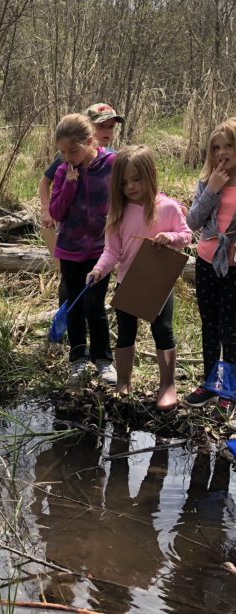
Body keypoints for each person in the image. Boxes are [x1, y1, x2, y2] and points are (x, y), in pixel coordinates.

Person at [87, 145, 191, 409]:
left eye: (136, 179)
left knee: (163, 329)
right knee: (125, 331)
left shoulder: (167, 208)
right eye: (124, 183)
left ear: (151, 174)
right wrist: (99, 269)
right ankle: (124, 381)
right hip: (127, 281)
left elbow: (186, 236)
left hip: (158, 280)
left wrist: (170, 237)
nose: (131, 187)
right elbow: (112, 251)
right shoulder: (118, 212)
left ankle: (167, 385)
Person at [49, 113, 116, 388]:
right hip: (70, 249)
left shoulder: (112, 165)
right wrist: (69, 185)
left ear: (89, 141)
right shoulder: (65, 171)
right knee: (74, 305)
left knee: (94, 305)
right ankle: (77, 359)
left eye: (72, 150)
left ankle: (103, 359)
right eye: (62, 151)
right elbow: (55, 211)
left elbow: (129, 196)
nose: (67, 156)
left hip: (101, 250)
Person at [183, 118, 236, 412]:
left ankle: (229, 387)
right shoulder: (207, 180)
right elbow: (192, 222)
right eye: (217, 147)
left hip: (234, 266)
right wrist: (212, 189)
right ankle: (209, 383)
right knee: (210, 324)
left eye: (229, 145)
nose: (222, 153)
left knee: (231, 328)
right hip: (206, 261)